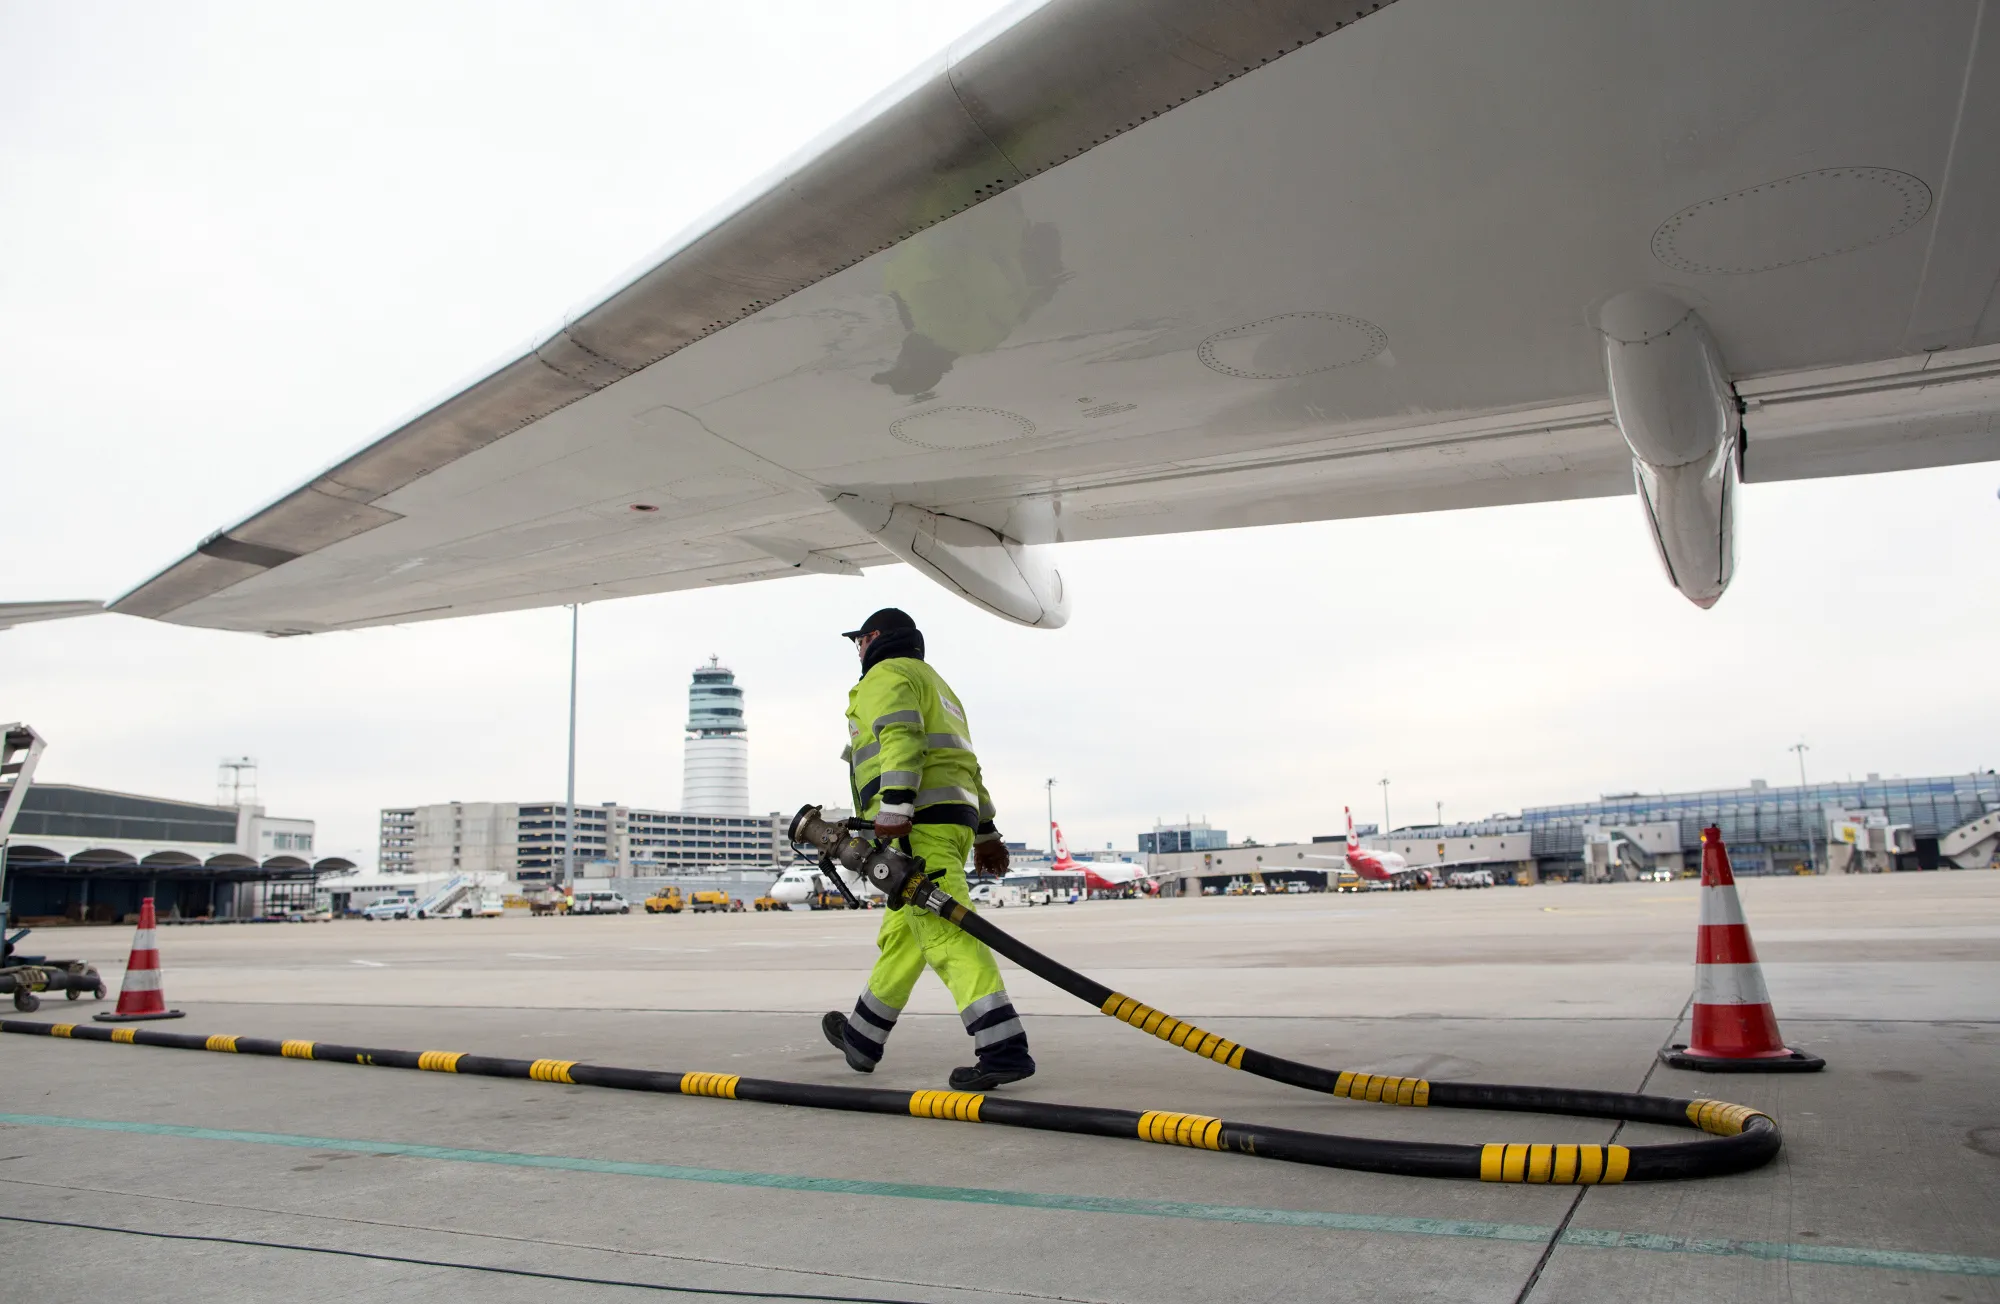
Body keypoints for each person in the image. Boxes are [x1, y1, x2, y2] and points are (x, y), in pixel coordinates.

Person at [821, 607, 1034, 1091]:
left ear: (874, 639)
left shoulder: (884, 676)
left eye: (859, 641)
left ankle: (1003, 1049)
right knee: (904, 935)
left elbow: (901, 736)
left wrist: (895, 807)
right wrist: (986, 832)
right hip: (951, 823)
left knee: (946, 931)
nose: (858, 651)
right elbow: (966, 766)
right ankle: (862, 1035)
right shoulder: (940, 686)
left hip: (916, 825)